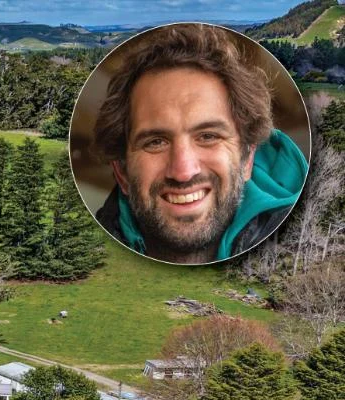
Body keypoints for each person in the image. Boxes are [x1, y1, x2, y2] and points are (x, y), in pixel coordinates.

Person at [91, 24, 307, 264]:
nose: (183, 172)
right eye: (155, 142)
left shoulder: (305, 243)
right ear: (122, 173)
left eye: (208, 136)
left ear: (247, 159)